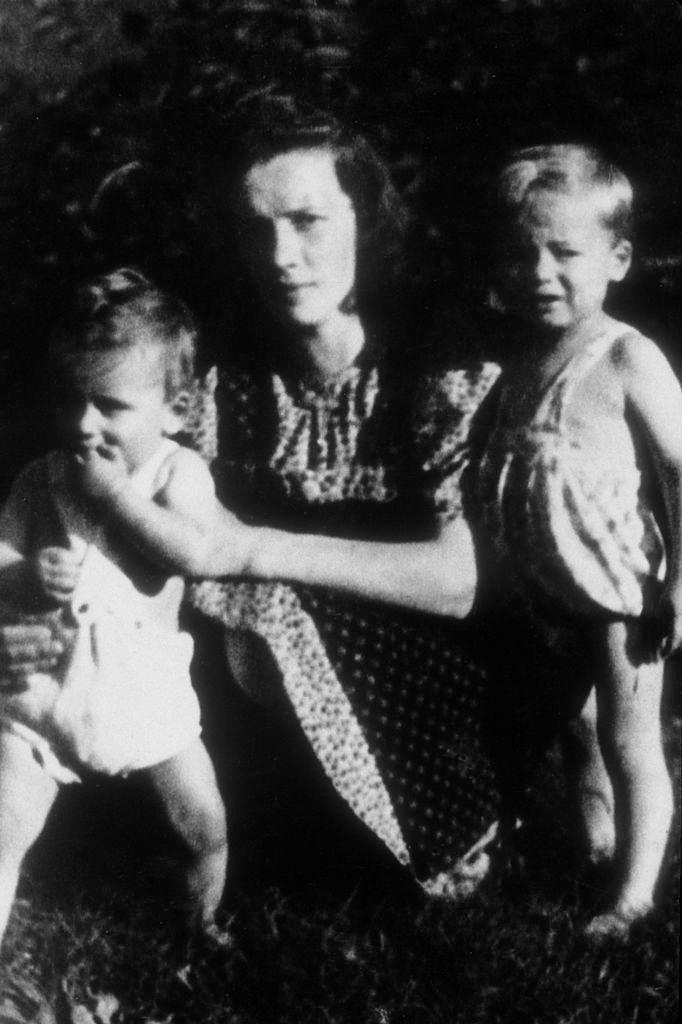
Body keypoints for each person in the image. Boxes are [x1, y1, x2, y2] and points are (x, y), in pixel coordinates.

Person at [172, 94, 503, 895]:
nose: (281, 254)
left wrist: (252, 549)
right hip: (263, 672)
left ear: (367, 220)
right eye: (257, 228)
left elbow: (459, 582)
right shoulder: (218, 374)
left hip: (441, 664)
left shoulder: (437, 365)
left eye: (308, 220)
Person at [0, 269, 228, 989]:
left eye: (110, 405)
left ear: (176, 410)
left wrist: (117, 494)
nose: (83, 424)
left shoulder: (175, 474)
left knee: (203, 825)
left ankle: (200, 930)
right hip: (45, 695)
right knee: (0, 833)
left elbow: (190, 548)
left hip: (145, 694)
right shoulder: (42, 477)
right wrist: (26, 575)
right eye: (70, 400)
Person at [472, 144, 681, 938]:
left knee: (630, 735)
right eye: (519, 253)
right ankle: (594, 837)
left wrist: (681, 579)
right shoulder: (518, 358)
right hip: (541, 587)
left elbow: (679, 467)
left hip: (620, 589)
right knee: (575, 726)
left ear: (618, 258)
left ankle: (635, 892)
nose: (539, 271)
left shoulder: (627, 356)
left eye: (564, 251)